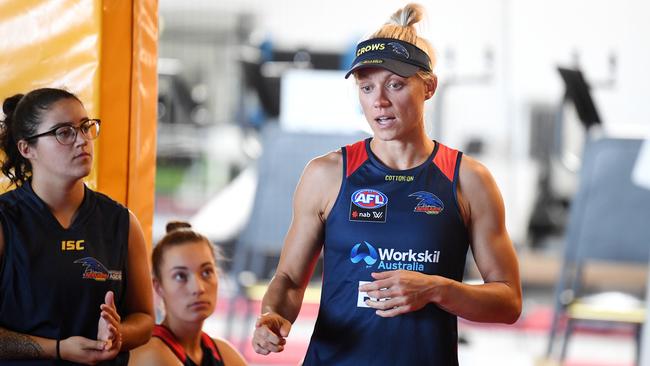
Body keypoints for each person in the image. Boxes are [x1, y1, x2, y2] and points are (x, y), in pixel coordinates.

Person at [252, 3, 522, 365]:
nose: (379, 101)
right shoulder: (327, 175)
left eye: (395, 85)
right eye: (367, 87)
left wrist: (437, 289)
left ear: (429, 87)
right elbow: (287, 278)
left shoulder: (469, 180)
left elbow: (509, 302)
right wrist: (273, 316)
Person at [0, 88, 154, 365]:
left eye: (85, 127)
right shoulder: (6, 221)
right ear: (27, 149)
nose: (82, 140)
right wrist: (57, 349)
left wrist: (119, 335)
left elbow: (144, 318)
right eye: (64, 132)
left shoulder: (121, 221)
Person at [129, 222, 246, 366]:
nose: (198, 288)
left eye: (206, 272)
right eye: (180, 276)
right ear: (159, 287)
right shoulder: (152, 354)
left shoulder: (223, 352)